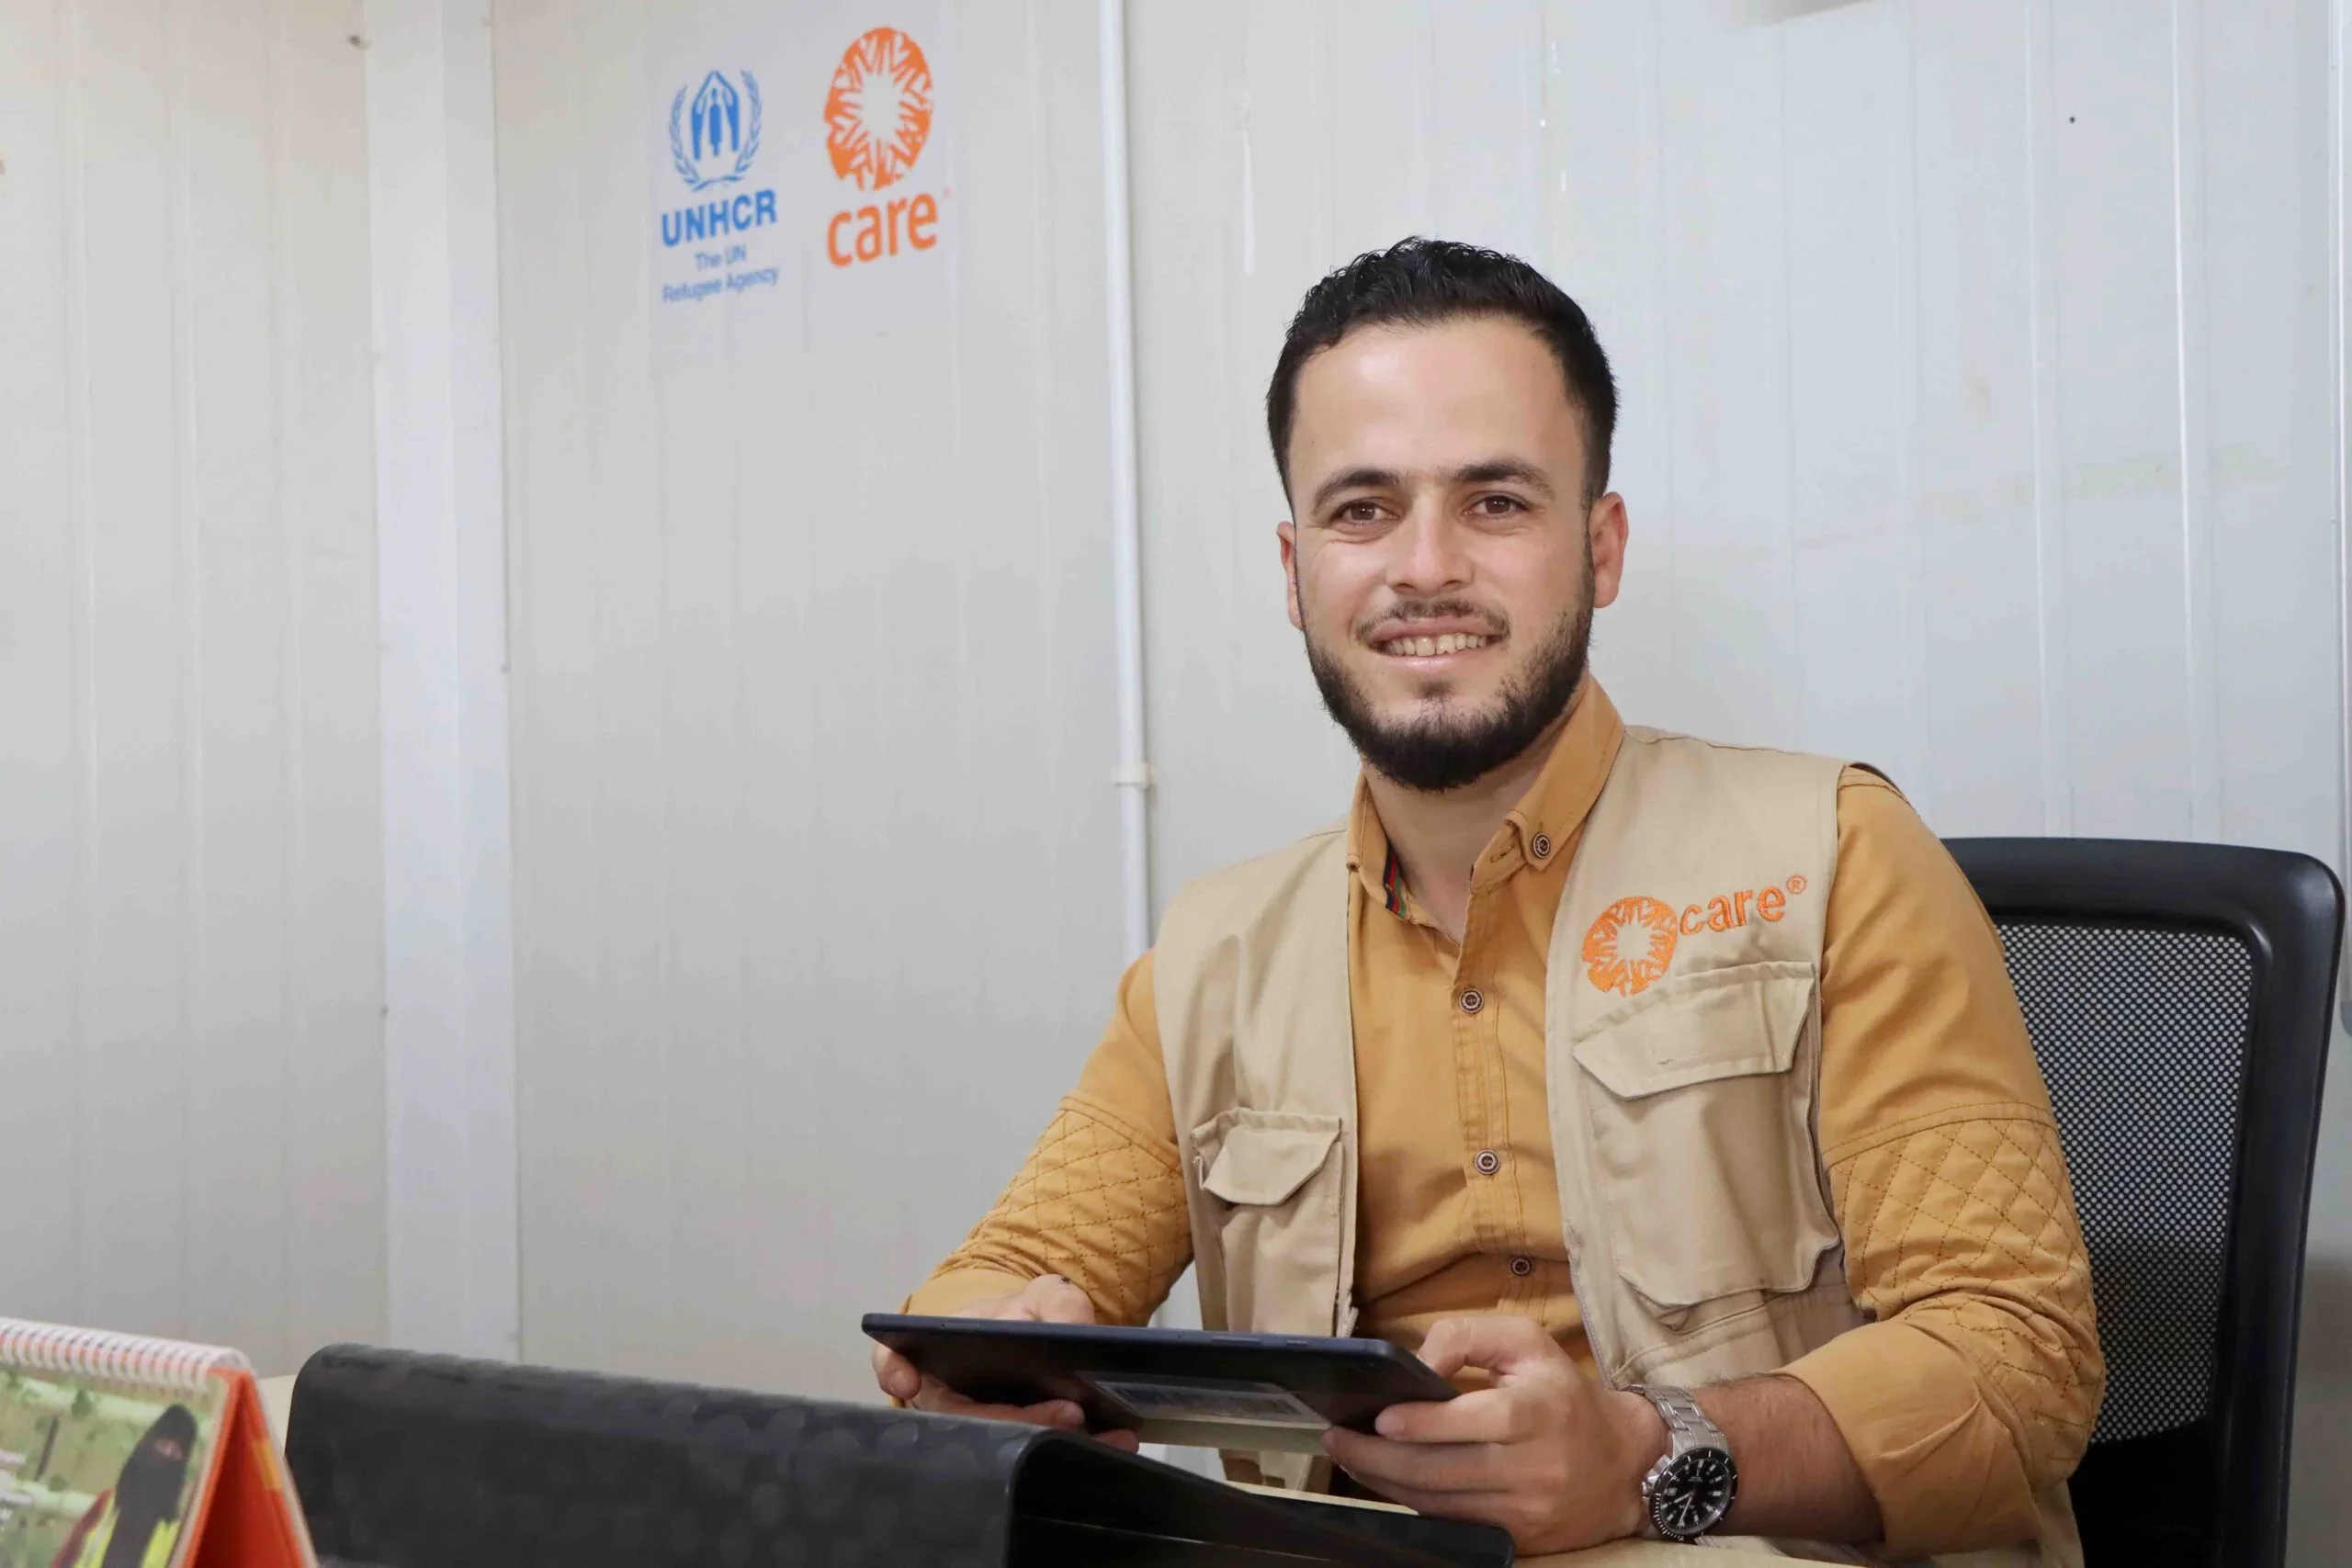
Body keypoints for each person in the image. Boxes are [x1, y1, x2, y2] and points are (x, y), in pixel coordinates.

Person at [873, 238, 2103, 1564]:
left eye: (1496, 501)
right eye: (1361, 510)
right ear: (1294, 571)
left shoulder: (1840, 851)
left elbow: (2016, 1354)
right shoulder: (1214, 955)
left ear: (1602, 542)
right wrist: (990, 1368)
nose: (1424, 565)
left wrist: (1645, 1454)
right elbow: (999, 1276)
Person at [48, 1404, 197, 1568]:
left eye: (175, 1452)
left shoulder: (175, 1532)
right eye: (163, 1445)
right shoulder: (106, 1504)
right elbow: (67, 1557)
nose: (167, 1455)